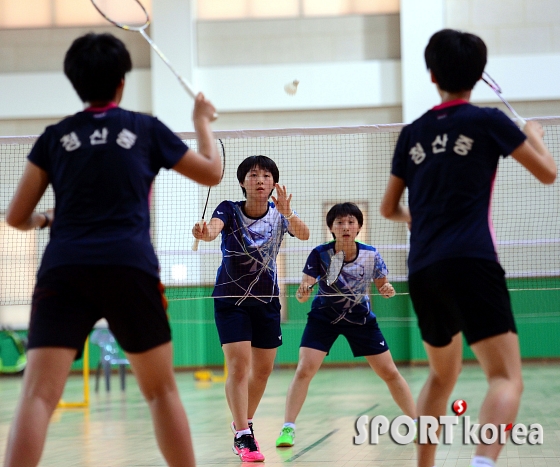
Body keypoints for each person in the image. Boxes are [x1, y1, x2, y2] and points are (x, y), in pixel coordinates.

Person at [3, 33, 222, 467]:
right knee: (161, 392)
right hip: (129, 267)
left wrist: (46, 219)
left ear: (76, 82)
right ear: (122, 81)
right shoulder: (144, 129)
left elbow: (14, 217)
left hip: (64, 268)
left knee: (38, 396)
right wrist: (202, 121)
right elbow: (213, 173)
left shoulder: (55, 138)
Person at [379, 29, 556, 467]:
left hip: (422, 269)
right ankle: (482, 462)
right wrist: (534, 133)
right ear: (477, 76)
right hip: (473, 262)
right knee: (505, 377)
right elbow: (548, 173)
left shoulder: (412, 133)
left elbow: (387, 208)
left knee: (442, 375)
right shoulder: (489, 121)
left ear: (432, 73)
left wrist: (413, 219)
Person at [192, 155, 310, 462]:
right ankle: (244, 435)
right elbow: (213, 228)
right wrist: (204, 232)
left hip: (267, 299)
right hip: (230, 299)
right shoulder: (229, 209)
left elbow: (305, 233)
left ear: (274, 183)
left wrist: (288, 211)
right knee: (240, 366)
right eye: (254, 175)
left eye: (267, 176)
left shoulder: (280, 214)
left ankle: (242, 423)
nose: (261, 180)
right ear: (243, 181)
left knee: (263, 370)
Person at [275, 202, 417, 448]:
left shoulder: (371, 254)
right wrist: (302, 292)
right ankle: (288, 428)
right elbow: (303, 291)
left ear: (359, 226)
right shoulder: (320, 254)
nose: (346, 227)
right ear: (331, 227)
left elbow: (383, 285)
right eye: (339, 222)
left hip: (360, 319)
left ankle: (415, 423)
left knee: (390, 372)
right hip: (323, 318)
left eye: (351, 222)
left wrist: (387, 289)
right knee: (305, 369)